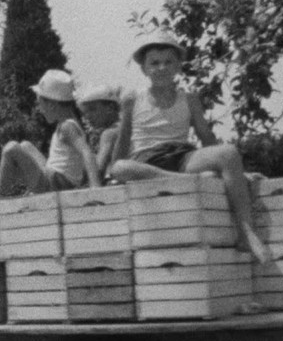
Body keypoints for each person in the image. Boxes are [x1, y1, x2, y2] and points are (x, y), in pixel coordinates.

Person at [108, 35, 271, 263]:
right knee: (121, 168)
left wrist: (235, 172)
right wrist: (112, 172)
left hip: (182, 156)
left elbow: (206, 138)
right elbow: (123, 140)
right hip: (147, 162)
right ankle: (190, 181)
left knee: (229, 152)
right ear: (144, 69)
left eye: (168, 62)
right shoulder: (133, 98)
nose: (161, 67)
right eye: (154, 63)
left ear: (177, 67)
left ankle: (247, 231)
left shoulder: (189, 99)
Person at [0, 69, 102, 199]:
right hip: (54, 179)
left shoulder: (67, 127)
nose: (39, 109)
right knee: (26, 145)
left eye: (40, 103)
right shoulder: (67, 124)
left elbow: (86, 151)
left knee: (11, 149)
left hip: (56, 185)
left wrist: (95, 187)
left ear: (51, 105)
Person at [75, 83, 126, 179]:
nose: (87, 116)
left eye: (92, 109)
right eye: (85, 112)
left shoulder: (109, 133)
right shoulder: (124, 127)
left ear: (110, 108)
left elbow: (98, 169)